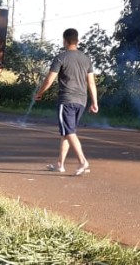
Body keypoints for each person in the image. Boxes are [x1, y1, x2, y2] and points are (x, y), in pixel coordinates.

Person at [35, 28, 98, 176]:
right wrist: (94, 102)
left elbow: (49, 79)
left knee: (69, 131)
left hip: (67, 100)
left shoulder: (61, 57)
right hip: (81, 101)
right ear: (77, 41)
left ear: (65, 40)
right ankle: (60, 164)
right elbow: (91, 83)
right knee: (67, 133)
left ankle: (82, 161)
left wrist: (39, 93)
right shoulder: (86, 58)